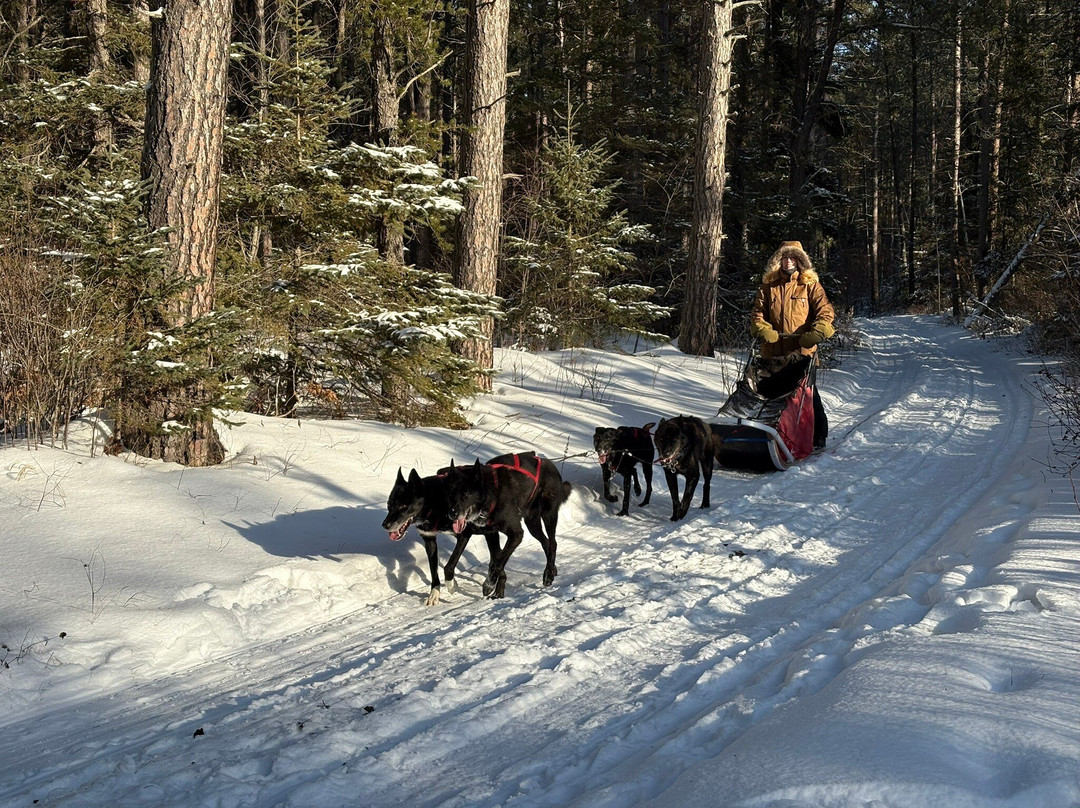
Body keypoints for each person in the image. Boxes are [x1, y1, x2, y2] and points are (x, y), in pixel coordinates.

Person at [750, 240, 835, 449]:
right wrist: (763, 329)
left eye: (792, 257)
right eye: (784, 257)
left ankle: (818, 436)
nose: (788, 262)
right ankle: (772, 436)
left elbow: (826, 312)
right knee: (772, 395)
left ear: (799, 260)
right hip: (774, 353)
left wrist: (816, 333)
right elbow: (757, 315)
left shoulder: (810, 284)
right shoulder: (769, 285)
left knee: (807, 395)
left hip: (802, 352)